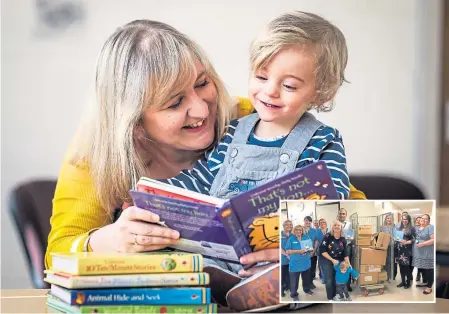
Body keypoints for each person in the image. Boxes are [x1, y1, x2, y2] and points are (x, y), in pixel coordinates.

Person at [44, 17, 367, 309]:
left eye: (202, 83)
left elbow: (362, 218)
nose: (201, 110)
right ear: (133, 120)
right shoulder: (95, 156)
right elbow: (56, 257)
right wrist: (104, 241)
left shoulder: (256, 119)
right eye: (174, 102)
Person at [157, 10, 352, 201]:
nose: (270, 91)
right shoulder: (232, 132)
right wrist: (155, 194)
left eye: (289, 86)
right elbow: (200, 181)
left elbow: (335, 198)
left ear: (320, 93)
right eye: (261, 77)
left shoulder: (323, 141)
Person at [319, 220, 350, 301]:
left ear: (341, 228)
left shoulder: (343, 239)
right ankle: (330, 297)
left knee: (336, 279)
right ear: (332, 227)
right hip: (326, 259)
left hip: (338, 260)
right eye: (335, 225)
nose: (336, 226)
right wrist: (332, 260)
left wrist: (348, 263)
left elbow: (345, 253)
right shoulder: (327, 236)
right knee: (329, 279)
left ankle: (336, 295)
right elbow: (322, 251)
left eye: (338, 225)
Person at [285, 225, 314, 302]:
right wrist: (299, 251)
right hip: (295, 264)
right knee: (294, 281)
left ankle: (307, 290)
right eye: (297, 230)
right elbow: (287, 251)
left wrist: (310, 249)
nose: (299, 231)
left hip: (306, 263)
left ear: (302, 231)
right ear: (294, 231)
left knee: (306, 279)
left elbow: (310, 249)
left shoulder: (306, 238)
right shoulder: (291, 239)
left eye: (300, 230)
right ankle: (294, 294)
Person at [412, 214, 435, 295]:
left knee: (429, 269)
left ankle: (429, 287)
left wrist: (424, 244)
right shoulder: (419, 228)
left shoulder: (430, 227)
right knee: (423, 269)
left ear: (428, 221)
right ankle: (426, 283)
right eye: (422, 218)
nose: (423, 220)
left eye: (425, 219)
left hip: (427, 254)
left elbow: (434, 239)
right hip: (419, 254)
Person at [396, 214, 416, 289]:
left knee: (407, 267)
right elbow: (397, 237)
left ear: (409, 220)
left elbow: (414, 239)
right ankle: (403, 281)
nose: (404, 220)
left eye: (406, 219)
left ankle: (408, 282)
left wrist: (407, 242)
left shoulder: (412, 228)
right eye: (403, 219)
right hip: (400, 249)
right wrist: (397, 239)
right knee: (401, 266)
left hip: (407, 250)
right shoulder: (399, 228)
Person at [338, 207, 354, 291]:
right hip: (338, 247)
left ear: (346, 215)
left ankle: (348, 285)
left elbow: (352, 235)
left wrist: (350, 237)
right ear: (338, 214)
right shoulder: (336, 223)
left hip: (347, 246)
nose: (342, 215)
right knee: (339, 266)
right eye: (340, 213)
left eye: (343, 213)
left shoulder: (349, 224)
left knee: (347, 265)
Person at [303, 216, 318, 287]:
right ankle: (306, 284)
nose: (308, 222)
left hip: (312, 253)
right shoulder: (300, 229)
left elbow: (316, 241)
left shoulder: (314, 231)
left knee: (312, 269)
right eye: (306, 220)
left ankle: (311, 282)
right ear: (304, 221)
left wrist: (313, 251)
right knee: (305, 270)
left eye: (309, 221)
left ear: (311, 222)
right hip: (303, 253)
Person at [281, 220, 293, 297]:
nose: (289, 226)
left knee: (289, 275)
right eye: (287, 225)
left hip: (291, 259)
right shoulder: (280, 235)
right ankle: (281, 290)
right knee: (282, 275)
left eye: (290, 225)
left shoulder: (292, 235)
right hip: (283, 259)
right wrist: (286, 255)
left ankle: (289, 287)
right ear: (284, 226)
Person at [381, 214, 395, 281]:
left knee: (390, 261)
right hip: (384, 246)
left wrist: (392, 237)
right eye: (387, 218)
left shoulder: (394, 227)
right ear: (385, 219)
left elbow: (395, 236)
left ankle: (389, 276)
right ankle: (384, 275)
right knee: (384, 261)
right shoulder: (382, 227)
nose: (389, 219)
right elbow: (381, 235)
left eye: (390, 218)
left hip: (391, 246)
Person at [316, 218, 328, 284]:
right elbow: (315, 241)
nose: (323, 224)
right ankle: (324, 279)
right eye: (321, 223)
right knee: (322, 265)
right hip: (320, 251)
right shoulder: (317, 231)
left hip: (329, 251)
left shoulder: (330, 230)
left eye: (324, 222)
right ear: (319, 224)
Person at [414, 216, 423, 282]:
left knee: (420, 262)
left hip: (421, 246)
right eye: (417, 220)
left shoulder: (423, 228)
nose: (418, 221)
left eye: (419, 220)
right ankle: (411, 275)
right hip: (413, 247)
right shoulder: (413, 228)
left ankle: (418, 274)